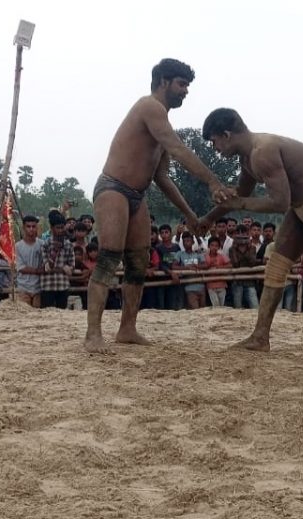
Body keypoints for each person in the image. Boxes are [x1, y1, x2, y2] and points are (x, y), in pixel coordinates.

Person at [82, 58, 234, 354]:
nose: (186, 91)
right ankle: (92, 334)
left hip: (137, 195)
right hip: (113, 188)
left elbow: (162, 178)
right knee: (109, 258)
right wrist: (213, 182)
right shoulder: (149, 106)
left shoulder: (161, 123)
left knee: (138, 263)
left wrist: (190, 215)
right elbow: (178, 149)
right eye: (182, 84)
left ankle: (127, 328)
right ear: (164, 81)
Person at [197, 108, 303, 364]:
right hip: (300, 205)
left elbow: (279, 203)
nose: (215, 148)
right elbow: (241, 196)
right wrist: (207, 219)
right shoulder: (247, 159)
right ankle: (260, 337)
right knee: (276, 268)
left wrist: (240, 204)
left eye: (214, 141)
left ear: (226, 135)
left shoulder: (263, 151)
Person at [15, 215, 44, 307]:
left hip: (38, 288)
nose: (31, 229)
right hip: (23, 287)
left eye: (33, 226)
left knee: (37, 313)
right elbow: (21, 268)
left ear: (37, 227)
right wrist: (38, 271)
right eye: (28, 226)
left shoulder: (42, 244)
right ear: (24, 228)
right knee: (24, 312)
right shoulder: (17, 246)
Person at [174, 232, 207, 309]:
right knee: (195, 309)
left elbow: (205, 265)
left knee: (203, 309)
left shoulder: (198, 253)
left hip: (201, 286)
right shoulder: (180, 254)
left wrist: (197, 266)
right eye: (184, 241)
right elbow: (174, 266)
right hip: (189, 287)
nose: (186, 243)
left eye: (188, 240)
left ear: (193, 242)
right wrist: (187, 267)